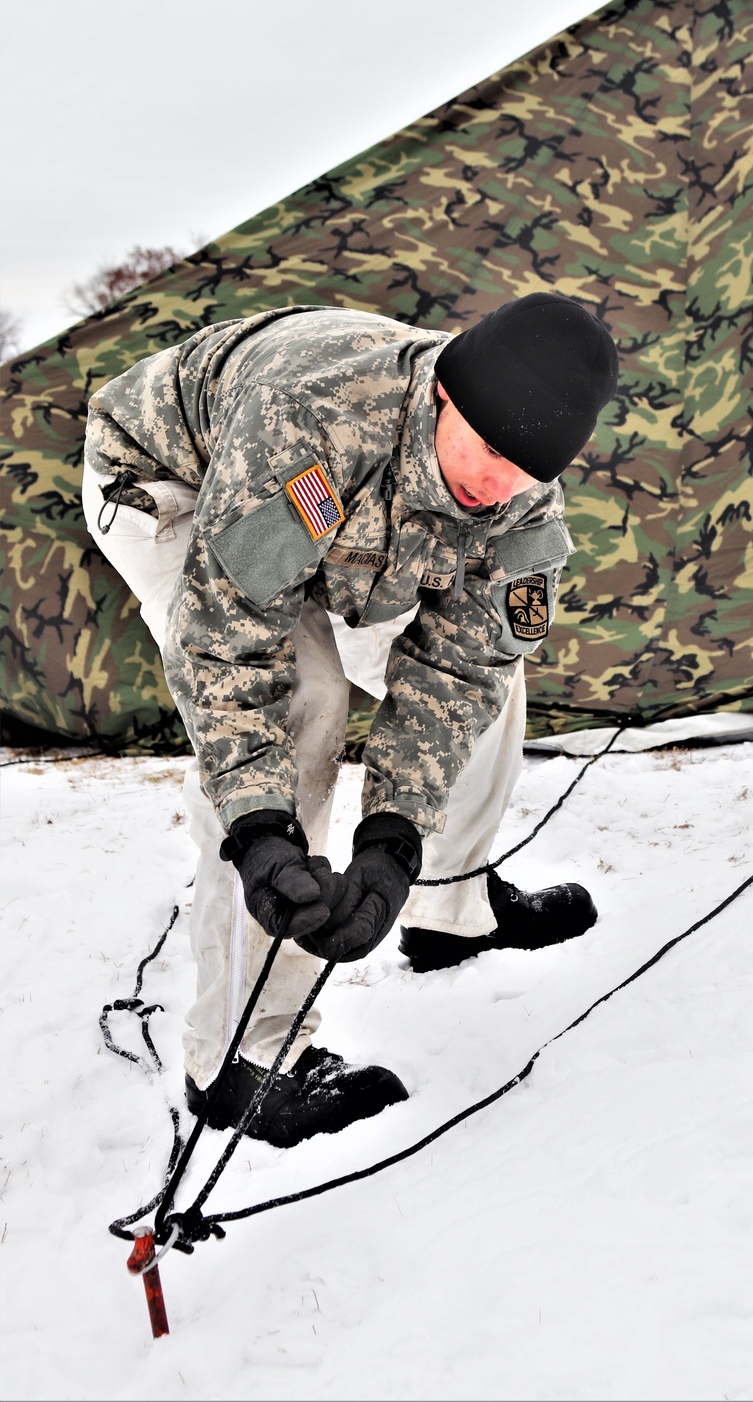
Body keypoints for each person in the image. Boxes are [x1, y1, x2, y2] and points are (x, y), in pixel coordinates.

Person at [82, 293, 618, 1148]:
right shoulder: (314, 422)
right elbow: (231, 648)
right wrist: (261, 831)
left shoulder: (520, 503)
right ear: (447, 393)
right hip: (173, 483)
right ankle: (239, 1061)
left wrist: (393, 843)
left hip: (355, 525)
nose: (494, 483)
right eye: (484, 450)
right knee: (310, 695)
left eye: (523, 470)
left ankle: (449, 906)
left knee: (493, 674)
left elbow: (460, 668)